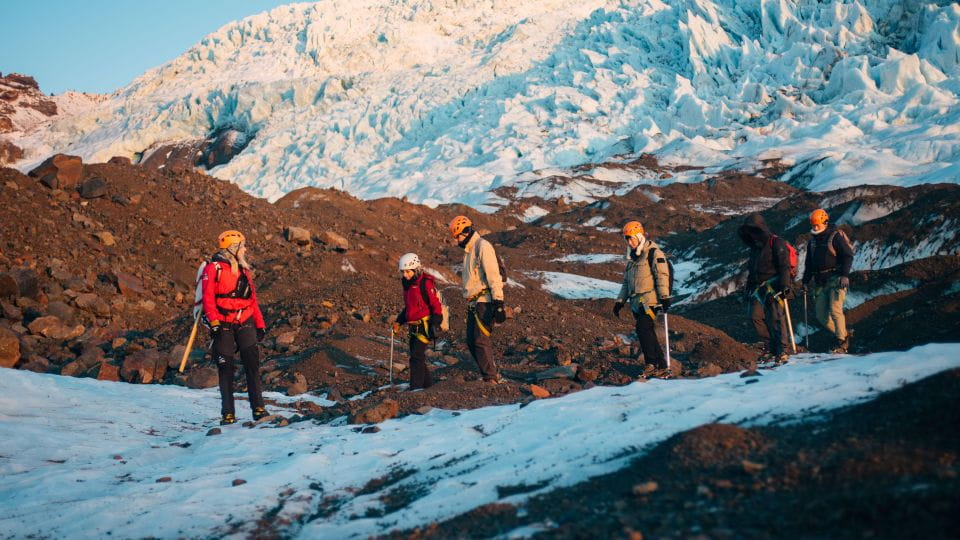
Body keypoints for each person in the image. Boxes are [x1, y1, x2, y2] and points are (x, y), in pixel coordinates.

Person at [201, 230, 268, 425]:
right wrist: (213, 323)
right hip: (222, 324)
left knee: (252, 366)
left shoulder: (244, 270)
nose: (245, 249)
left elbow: (252, 300)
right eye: (243, 245)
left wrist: (260, 325)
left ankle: (258, 409)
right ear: (234, 248)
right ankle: (228, 414)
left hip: (245, 321)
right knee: (226, 368)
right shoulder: (213, 269)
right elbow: (208, 299)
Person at [449, 215, 506, 384]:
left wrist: (499, 302)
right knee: (472, 341)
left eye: (457, 236)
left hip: (485, 301)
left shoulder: (483, 246)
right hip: (474, 302)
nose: (456, 240)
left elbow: (493, 275)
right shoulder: (469, 250)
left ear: (465, 232)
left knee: (480, 340)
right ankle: (489, 373)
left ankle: (491, 378)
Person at [612, 221, 672, 373]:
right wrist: (620, 301)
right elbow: (626, 282)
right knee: (647, 331)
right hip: (637, 304)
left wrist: (664, 297)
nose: (629, 242)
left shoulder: (653, 253)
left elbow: (662, 275)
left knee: (643, 328)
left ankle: (651, 364)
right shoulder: (633, 259)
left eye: (631, 238)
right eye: (627, 239)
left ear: (638, 236)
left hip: (652, 302)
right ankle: (661, 365)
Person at [738, 214, 792, 363]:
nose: (751, 235)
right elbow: (752, 270)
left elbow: (784, 266)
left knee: (776, 319)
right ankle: (771, 347)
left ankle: (782, 350)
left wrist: (785, 285)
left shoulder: (777, 242)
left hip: (774, 287)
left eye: (753, 231)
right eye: (749, 232)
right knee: (755, 317)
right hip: (758, 289)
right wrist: (748, 288)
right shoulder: (755, 247)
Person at [801, 208, 855, 353]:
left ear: (825, 222)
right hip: (820, 282)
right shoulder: (812, 243)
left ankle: (842, 343)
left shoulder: (835, 237)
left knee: (835, 310)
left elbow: (848, 256)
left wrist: (844, 275)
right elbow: (809, 265)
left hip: (836, 279)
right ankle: (844, 333)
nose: (815, 228)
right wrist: (805, 281)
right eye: (813, 225)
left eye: (817, 225)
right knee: (821, 316)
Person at [392, 253, 443, 389]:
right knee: (417, 357)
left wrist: (436, 323)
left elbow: (436, 304)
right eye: (403, 272)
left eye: (408, 271)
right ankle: (428, 386)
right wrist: (399, 321)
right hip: (412, 327)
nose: (405, 275)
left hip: (425, 325)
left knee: (416, 357)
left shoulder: (424, 283)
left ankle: (416, 388)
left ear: (416, 269)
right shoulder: (407, 286)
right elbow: (409, 308)